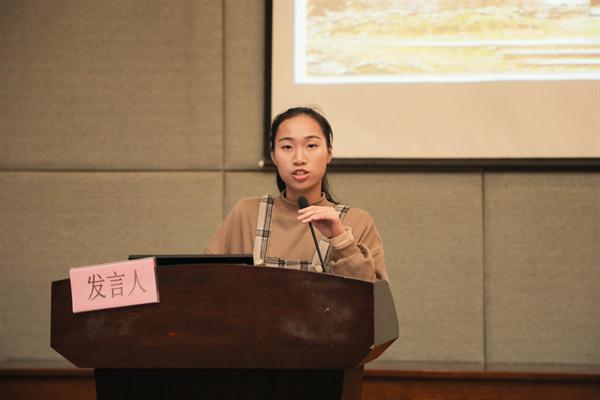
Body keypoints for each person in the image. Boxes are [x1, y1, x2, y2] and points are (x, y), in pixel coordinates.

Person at [205, 107, 389, 282]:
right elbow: (204, 280)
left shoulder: (357, 221)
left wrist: (341, 239)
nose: (299, 159)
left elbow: (374, 298)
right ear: (274, 156)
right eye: (287, 147)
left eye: (311, 145)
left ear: (329, 154)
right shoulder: (246, 213)